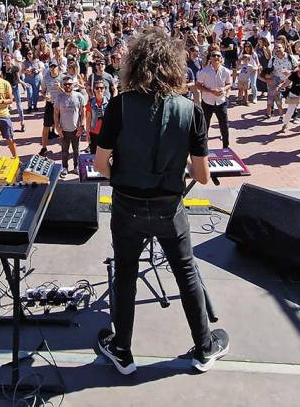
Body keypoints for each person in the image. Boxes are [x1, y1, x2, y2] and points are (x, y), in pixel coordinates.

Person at [92, 27, 228, 375]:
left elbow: (99, 164)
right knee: (186, 271)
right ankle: (204, 346)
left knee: (125, 272)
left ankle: (122, 351)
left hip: (126, 204)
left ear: (134, 66)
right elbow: (200, 175)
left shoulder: (119, 105)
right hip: (169, 206)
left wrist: (123, 174)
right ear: (174, 66)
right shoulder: (191, 110)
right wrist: (173, 158)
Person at [196, 50, 232, 149]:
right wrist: (211, 91)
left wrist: (224, 89)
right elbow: (198, 85)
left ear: (221, 59)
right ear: (210, 58)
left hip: (221, 102)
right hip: (207, 102)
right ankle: (203, 148)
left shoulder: (226, 71)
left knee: (224, 125)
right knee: (205, 125)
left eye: (218, 56)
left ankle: (226, 147)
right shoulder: (204, 71)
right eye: (214, 55)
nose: (216, 57)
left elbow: (229, 84)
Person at [54, 75, 87, 174]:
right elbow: (56, 112)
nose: (68, 86)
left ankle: (76, 166)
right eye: (65, 84)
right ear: (63, 85)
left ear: (73, 84)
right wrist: (57, 127)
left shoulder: (79, 96)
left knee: (76, 150)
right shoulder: (59, 97)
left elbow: (83, 112)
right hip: (64, 129)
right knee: (64, 150)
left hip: (76, 129)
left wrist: (82, 126)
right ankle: (65, 167)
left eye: (69, 84)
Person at [85, 82, 108, 154]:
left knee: (105, 155)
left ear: (104, 89)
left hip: (105, 133)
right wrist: (88, 133)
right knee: (94, 154)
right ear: (94, 90)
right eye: (97, 88)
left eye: (101, 88)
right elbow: (88, 118)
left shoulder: (109, 101)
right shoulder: (91, 101)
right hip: (94, 132)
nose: (99, 90)